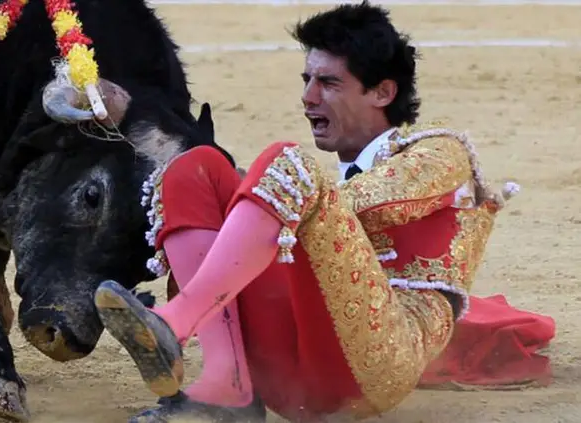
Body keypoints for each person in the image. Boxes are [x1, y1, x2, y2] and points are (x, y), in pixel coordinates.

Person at [94, 2, 520, 422]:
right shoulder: (320, 188)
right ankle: (229, 387)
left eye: (329, 83)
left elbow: (364, 204)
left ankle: (176, 320)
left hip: (382, 362)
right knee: (195, 169)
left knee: (284, 163)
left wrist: (261, 198)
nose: (308, 96)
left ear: (383, 92)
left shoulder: (441, 152)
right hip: (296, 371)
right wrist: (133, 115)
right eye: (307, 79)